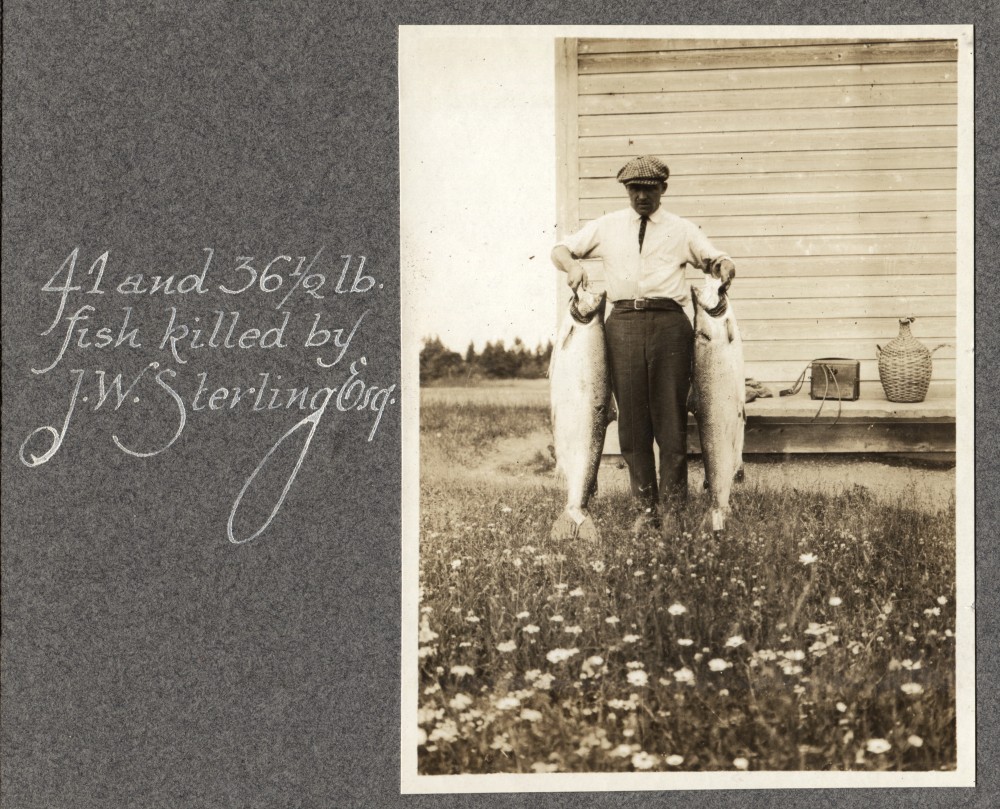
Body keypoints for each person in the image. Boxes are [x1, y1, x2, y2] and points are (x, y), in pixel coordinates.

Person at [551, 155, 736, 535]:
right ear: (626, 191)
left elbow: (714, 258)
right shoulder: (607, 226)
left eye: (649, 190)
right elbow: (561, 249)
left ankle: (673, 511)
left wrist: (723, 266)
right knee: (632, 425)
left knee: (670, 420)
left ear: (663, 190)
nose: (641, 197)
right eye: (634, 190)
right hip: (621, 324)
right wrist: (572, 266)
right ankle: (645, 509)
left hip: (670, 324)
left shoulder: (682, 229)